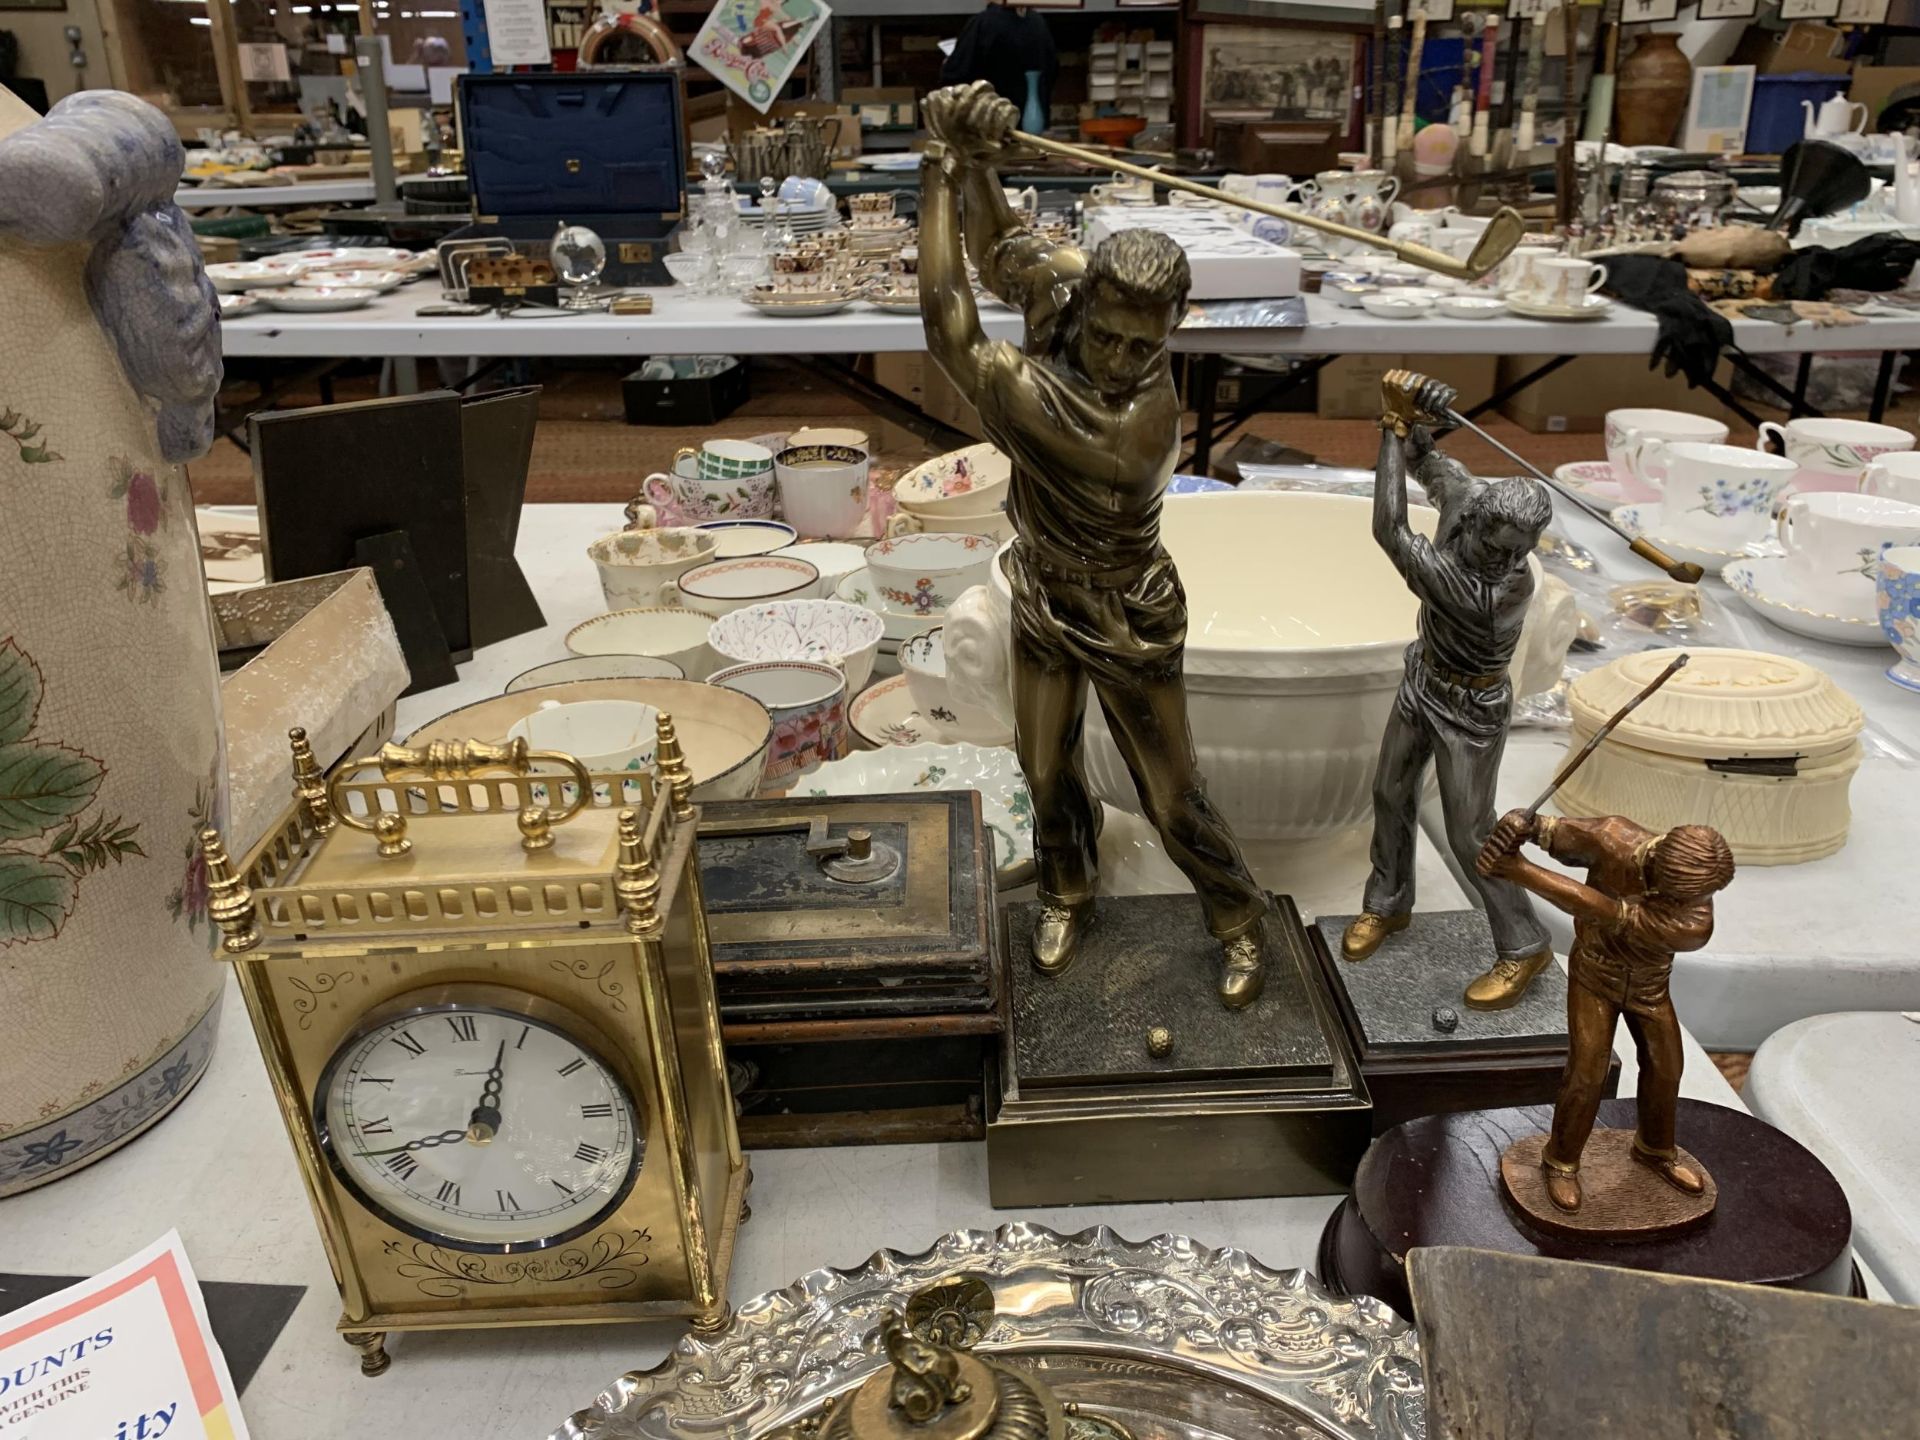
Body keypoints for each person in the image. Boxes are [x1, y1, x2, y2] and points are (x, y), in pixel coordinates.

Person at [915, 81, 1270, 1008]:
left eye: (1141, 346)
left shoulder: (1124, 427)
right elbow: (1004, 257)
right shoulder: (1075, 296)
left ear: (1175, 326)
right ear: (1089, 302)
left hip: (1126, 609)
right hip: (1042, 589)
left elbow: (948, 313)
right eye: (1106, 338)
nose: (1118, 360)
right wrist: (983, 150)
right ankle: (1068, 888)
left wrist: (939, 169)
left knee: (1170, 794)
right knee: (1044, 766)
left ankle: (1238, 916)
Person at [1341, 371, 1556, 1011]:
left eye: (1523, 550)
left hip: (1471, 708)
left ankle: (1524, 942)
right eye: (1500, 546)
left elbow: (1390, 531)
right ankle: (1389, 902)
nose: (1510, 561)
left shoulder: (1493, 595)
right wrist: (1420, 417)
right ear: (1478, 520)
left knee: (1470, 833)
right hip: (1422, 677)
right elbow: (1422, 461)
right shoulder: (1467, 499)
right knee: (1389, 790)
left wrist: (1390, 423)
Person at [1478, 810, 1734, 1214]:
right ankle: (1560, 1161)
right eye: (1676, 897)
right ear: (1655, 866)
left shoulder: (1695, 921)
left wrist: (1517, 869)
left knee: (1666, 1065)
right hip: (1594, 977)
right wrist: (1515, 826)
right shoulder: (1613, 836)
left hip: (1649, 988)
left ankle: (1655, 1148)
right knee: (1588, 1071)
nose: (1695, 907)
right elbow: (1548, 830)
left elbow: (1601, 909)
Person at [939, 3, 1057, 128]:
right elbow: (1052, 68)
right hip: (1033, 120)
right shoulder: (1038, 22)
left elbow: (957, 75)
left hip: (993, 123)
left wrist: (947, 64)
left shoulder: (984, 22)